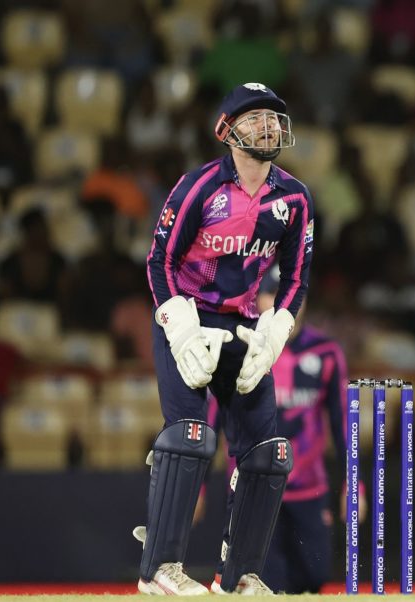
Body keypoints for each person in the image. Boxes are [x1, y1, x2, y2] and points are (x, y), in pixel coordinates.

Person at [137, 82, 312, 595]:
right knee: (188, 439)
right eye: (255, 118)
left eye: (273, 118)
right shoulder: (198, 186)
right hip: (190, 324)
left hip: (242, 330)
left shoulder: (294, 197)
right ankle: (159, 572)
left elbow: (297, 276)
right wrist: (178, 322)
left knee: (268, 453)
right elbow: (159, 260)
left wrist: (277, 328)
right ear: (227, 130)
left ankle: (239, 579)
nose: (267, 127)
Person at [200, 267, 360, 593]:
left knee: (314, 579)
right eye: (272, 294)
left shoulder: (326, 353)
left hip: (309, 488)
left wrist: (353, 483)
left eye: (288, 295)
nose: (282, 304)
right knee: (263, 584)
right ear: (256, 300)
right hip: (252, 489)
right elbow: (211, 422)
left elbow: (343, 422)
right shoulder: (235, 349)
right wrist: (198, 488)